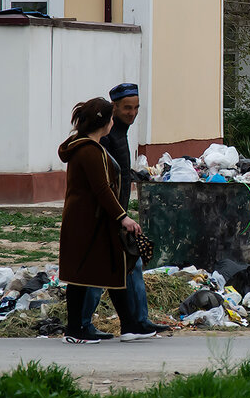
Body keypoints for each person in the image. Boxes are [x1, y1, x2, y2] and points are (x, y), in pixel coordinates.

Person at [57, 97, 155, 343]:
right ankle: (74, 330)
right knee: (80, 276)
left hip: (98, 221)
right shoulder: (89, 151)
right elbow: (102, 189)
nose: (114, 122)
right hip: (86, 223)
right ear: (104, 122)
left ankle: (130, 325)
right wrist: (123, 217)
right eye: (112, 118)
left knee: (113, 268)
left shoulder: (93, 147)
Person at [82, 83, 170, 339]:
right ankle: (83, 325)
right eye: (127, 108)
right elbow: (103, 182)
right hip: (110, 215)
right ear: (114, 108)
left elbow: (118, 173)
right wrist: (119, 215)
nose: (132, 113)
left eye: (136, 108)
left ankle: (137, 322)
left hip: (120, 213)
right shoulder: (107, 136)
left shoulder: (121, 132)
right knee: (102, 272)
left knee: (133, 264)